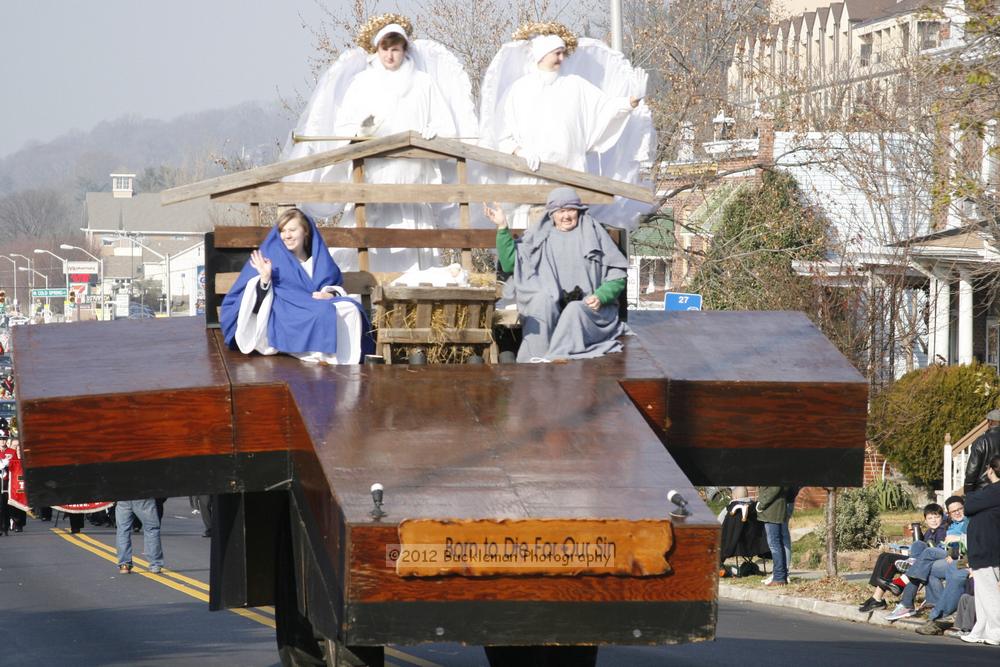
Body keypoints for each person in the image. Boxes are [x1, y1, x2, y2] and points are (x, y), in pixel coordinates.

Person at [283, 14, 476, 272]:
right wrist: (360, 132)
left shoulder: (423, 83)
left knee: (412, 247)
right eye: (385, 49)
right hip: (372, 183)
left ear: (404, 49)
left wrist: (433, 135)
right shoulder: (362, 84)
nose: (390, 55)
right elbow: (343, 130)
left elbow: (445, 127)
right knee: (370, 248)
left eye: (395, 49)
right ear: (377, 50)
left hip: (414, 187)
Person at [479, 23, 653, 230]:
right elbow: (503, 134)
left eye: (563, 53)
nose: (561, 59)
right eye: (557, 53)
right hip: (531, 181)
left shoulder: (575, 86)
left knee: (569, 235)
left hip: (570, 181)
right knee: (535, 238)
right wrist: (520, 151)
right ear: (542, 55)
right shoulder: (519, 91)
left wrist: (630, 102)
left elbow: (604, 110)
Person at [483, 188, 628, 362]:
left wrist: (601, 296)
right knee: (541, 303)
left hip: (587, 309)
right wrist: (502, 227)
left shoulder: (594, 233)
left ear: (579, 210)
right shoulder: (539, 235)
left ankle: (556, 360)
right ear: (552, 213)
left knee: (573, 310)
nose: (566, 216)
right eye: (561, 211)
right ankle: (532, 364)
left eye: (571, 210)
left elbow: (617, 274)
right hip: (551, 305)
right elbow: (510, 263)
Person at [220, 208, 372, 364]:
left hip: (315, 303)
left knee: (351, 309)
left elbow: (332, 284)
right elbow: (249, 297)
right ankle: (323, 354)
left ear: (305, 231)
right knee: (323, 311)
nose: (287, 235)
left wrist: (330, 294)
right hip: (285, 310)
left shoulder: (318, 259)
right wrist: (265, 279)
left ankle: (349, 360)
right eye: (283, 231)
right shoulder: (270, 255)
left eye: (292, 230)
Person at [884, 503, 949, 621]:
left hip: (945, 557)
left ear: (942, 517)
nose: (934, 520)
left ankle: (904, 589)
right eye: (930, 518)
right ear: (925, 520)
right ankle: (912, 563)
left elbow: (937, 548)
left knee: (922, 563)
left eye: (937, 517)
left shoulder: (944, 529)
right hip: (930, 559)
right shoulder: (930, 532)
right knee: (918, 544)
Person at [960, 454, 1000, 645]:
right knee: (982, 592)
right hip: (986, 548)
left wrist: (975, 486)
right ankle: (980, 629)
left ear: (991, 470)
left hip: (987, 549)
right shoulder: (991, 494)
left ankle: (996, 631)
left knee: (989, 592)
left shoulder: (993, 491)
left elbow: (968, 505)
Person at [756, 486, 795, 586]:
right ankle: (781, 575)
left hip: (772, 508)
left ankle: (779, 577)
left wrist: (761, 504)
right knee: (777, 543)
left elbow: (774, 488)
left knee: (774, 543)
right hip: (775, 507)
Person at [965, 409, 1000, 493]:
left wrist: (968, 492)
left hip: (983, 489)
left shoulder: (982, 441)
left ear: (990, 422)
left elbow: (972, 469)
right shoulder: (982, 441)